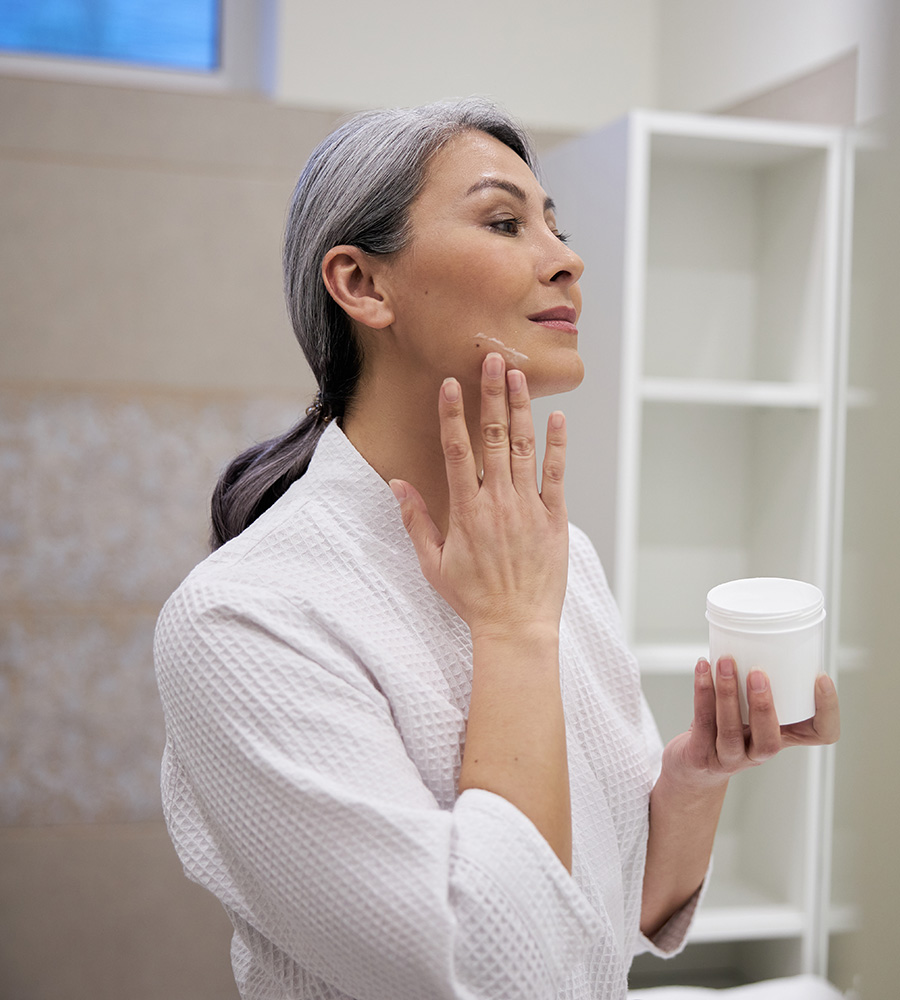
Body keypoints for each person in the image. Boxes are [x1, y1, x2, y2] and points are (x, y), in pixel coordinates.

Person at [154, 98, 840, 1000]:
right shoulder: (243, 619)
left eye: (556, 224)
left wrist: (693, 780)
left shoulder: (553, 555)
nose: (567, 257)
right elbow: (500, 972)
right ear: (362, 285)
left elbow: (599, 923)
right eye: (506, 221)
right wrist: (512, 629)